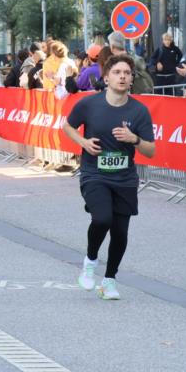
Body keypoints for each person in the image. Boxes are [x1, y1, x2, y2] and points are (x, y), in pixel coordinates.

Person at [62, 54, 156, 300]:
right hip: (95, 174)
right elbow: (67, 126)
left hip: (124, 178)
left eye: (127, 73)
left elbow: (151, 150)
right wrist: (83, 142)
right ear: (106, 77)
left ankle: (109, 280)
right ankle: (90, 261)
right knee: (102, 219)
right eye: (117, 72)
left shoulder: (139, 111)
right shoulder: (89, 104)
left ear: (132, 78)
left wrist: (134, 139)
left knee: (120, 232)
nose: (123, 76)